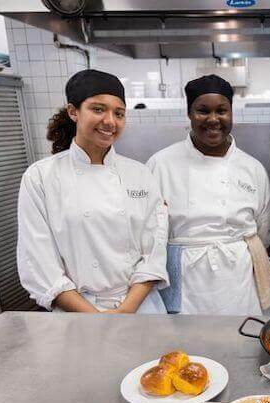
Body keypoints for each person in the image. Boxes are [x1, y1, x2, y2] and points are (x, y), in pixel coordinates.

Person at [17, 69, 169, 313]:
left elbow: (155, 251)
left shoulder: (140, 174)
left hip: (140, 309)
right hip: (75, 313)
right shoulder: (40, 177)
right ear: (73, 112)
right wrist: (95, 318)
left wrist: (125, 311)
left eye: (119, 113)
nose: (110, 121)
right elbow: (38, 262)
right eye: (98, 109)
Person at [146, 75, 270, 315]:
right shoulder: (160, 164)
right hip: (185, 279)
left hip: (239, 276)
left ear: (232, 113)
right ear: (189, 114)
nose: (213, 119)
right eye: (203, 111)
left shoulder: (252, 168)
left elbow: (263, 229)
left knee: (241, 340)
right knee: (185, 347)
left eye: (222, 111)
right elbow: (150, 231)